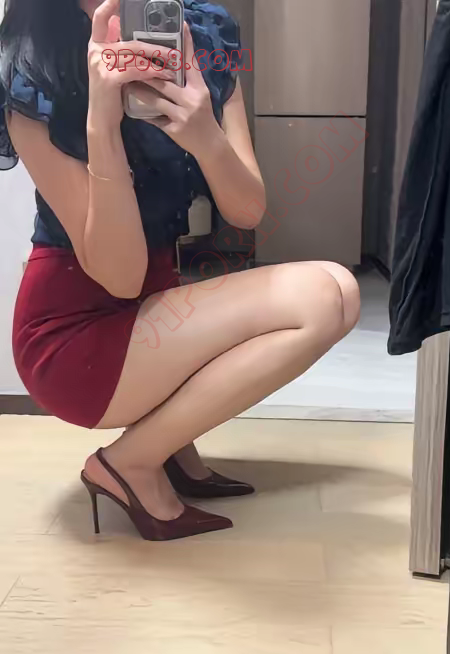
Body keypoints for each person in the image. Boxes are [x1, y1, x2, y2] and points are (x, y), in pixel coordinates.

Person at [0, 0, 361, 541]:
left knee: (342, 292)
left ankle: (167, 448)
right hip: (75, 337)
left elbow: (247, 210)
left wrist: (203, 134)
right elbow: (120, 275)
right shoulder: (33, 67)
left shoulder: (206, 32)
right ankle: (129, 464)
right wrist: (103, 124)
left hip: (152, 305)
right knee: (320, 299)